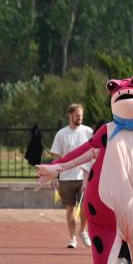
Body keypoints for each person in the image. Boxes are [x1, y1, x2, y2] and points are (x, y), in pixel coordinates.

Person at [47, 103, 94, 249]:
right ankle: (72, 238)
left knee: (85, 206)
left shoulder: (88, 132)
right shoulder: (61, 134)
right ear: (70, 115)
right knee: (70, 208)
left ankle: (83, 230)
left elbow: (94, 153)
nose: (80, 118)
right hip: (66, 178)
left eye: (81, 115)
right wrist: (54, 176)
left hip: (84, 176)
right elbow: (56, 156)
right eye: (77, 115)